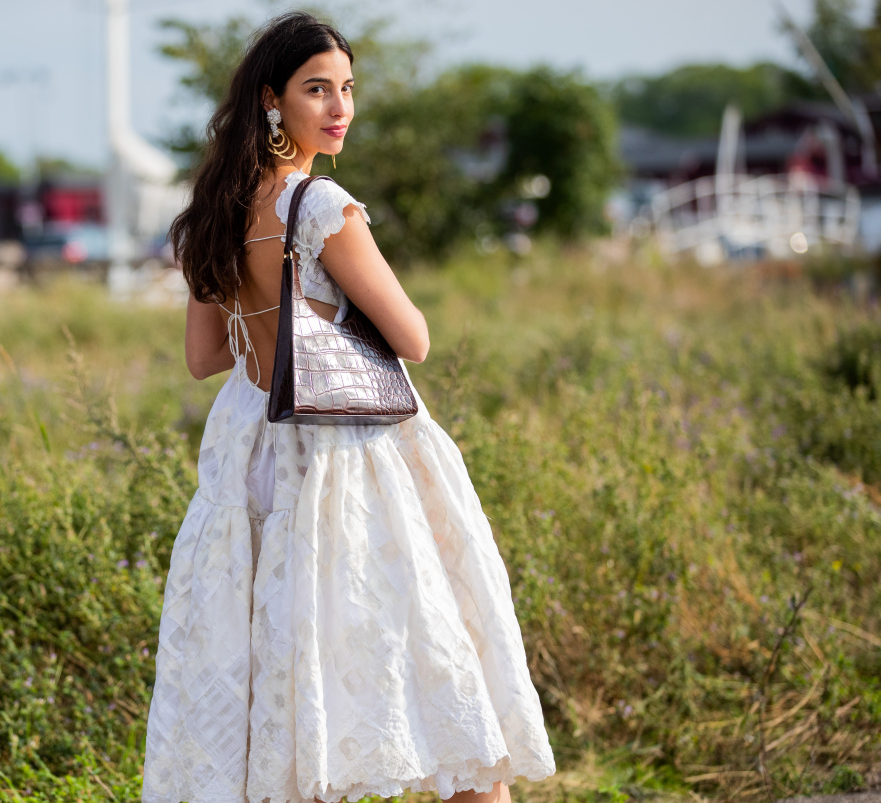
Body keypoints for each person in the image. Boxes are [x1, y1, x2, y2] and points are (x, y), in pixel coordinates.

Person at [143, 12, 555, 803]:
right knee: (439, 672)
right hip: (343, 460)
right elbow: (414, 336)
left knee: (286, 684)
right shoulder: (322, 205)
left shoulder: (213, 212)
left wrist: (271, 312)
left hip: (251, 457)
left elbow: (204, 359)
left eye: (347, 89)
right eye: (316, 89)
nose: (339, 108)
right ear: (273, 101)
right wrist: (326, 308)